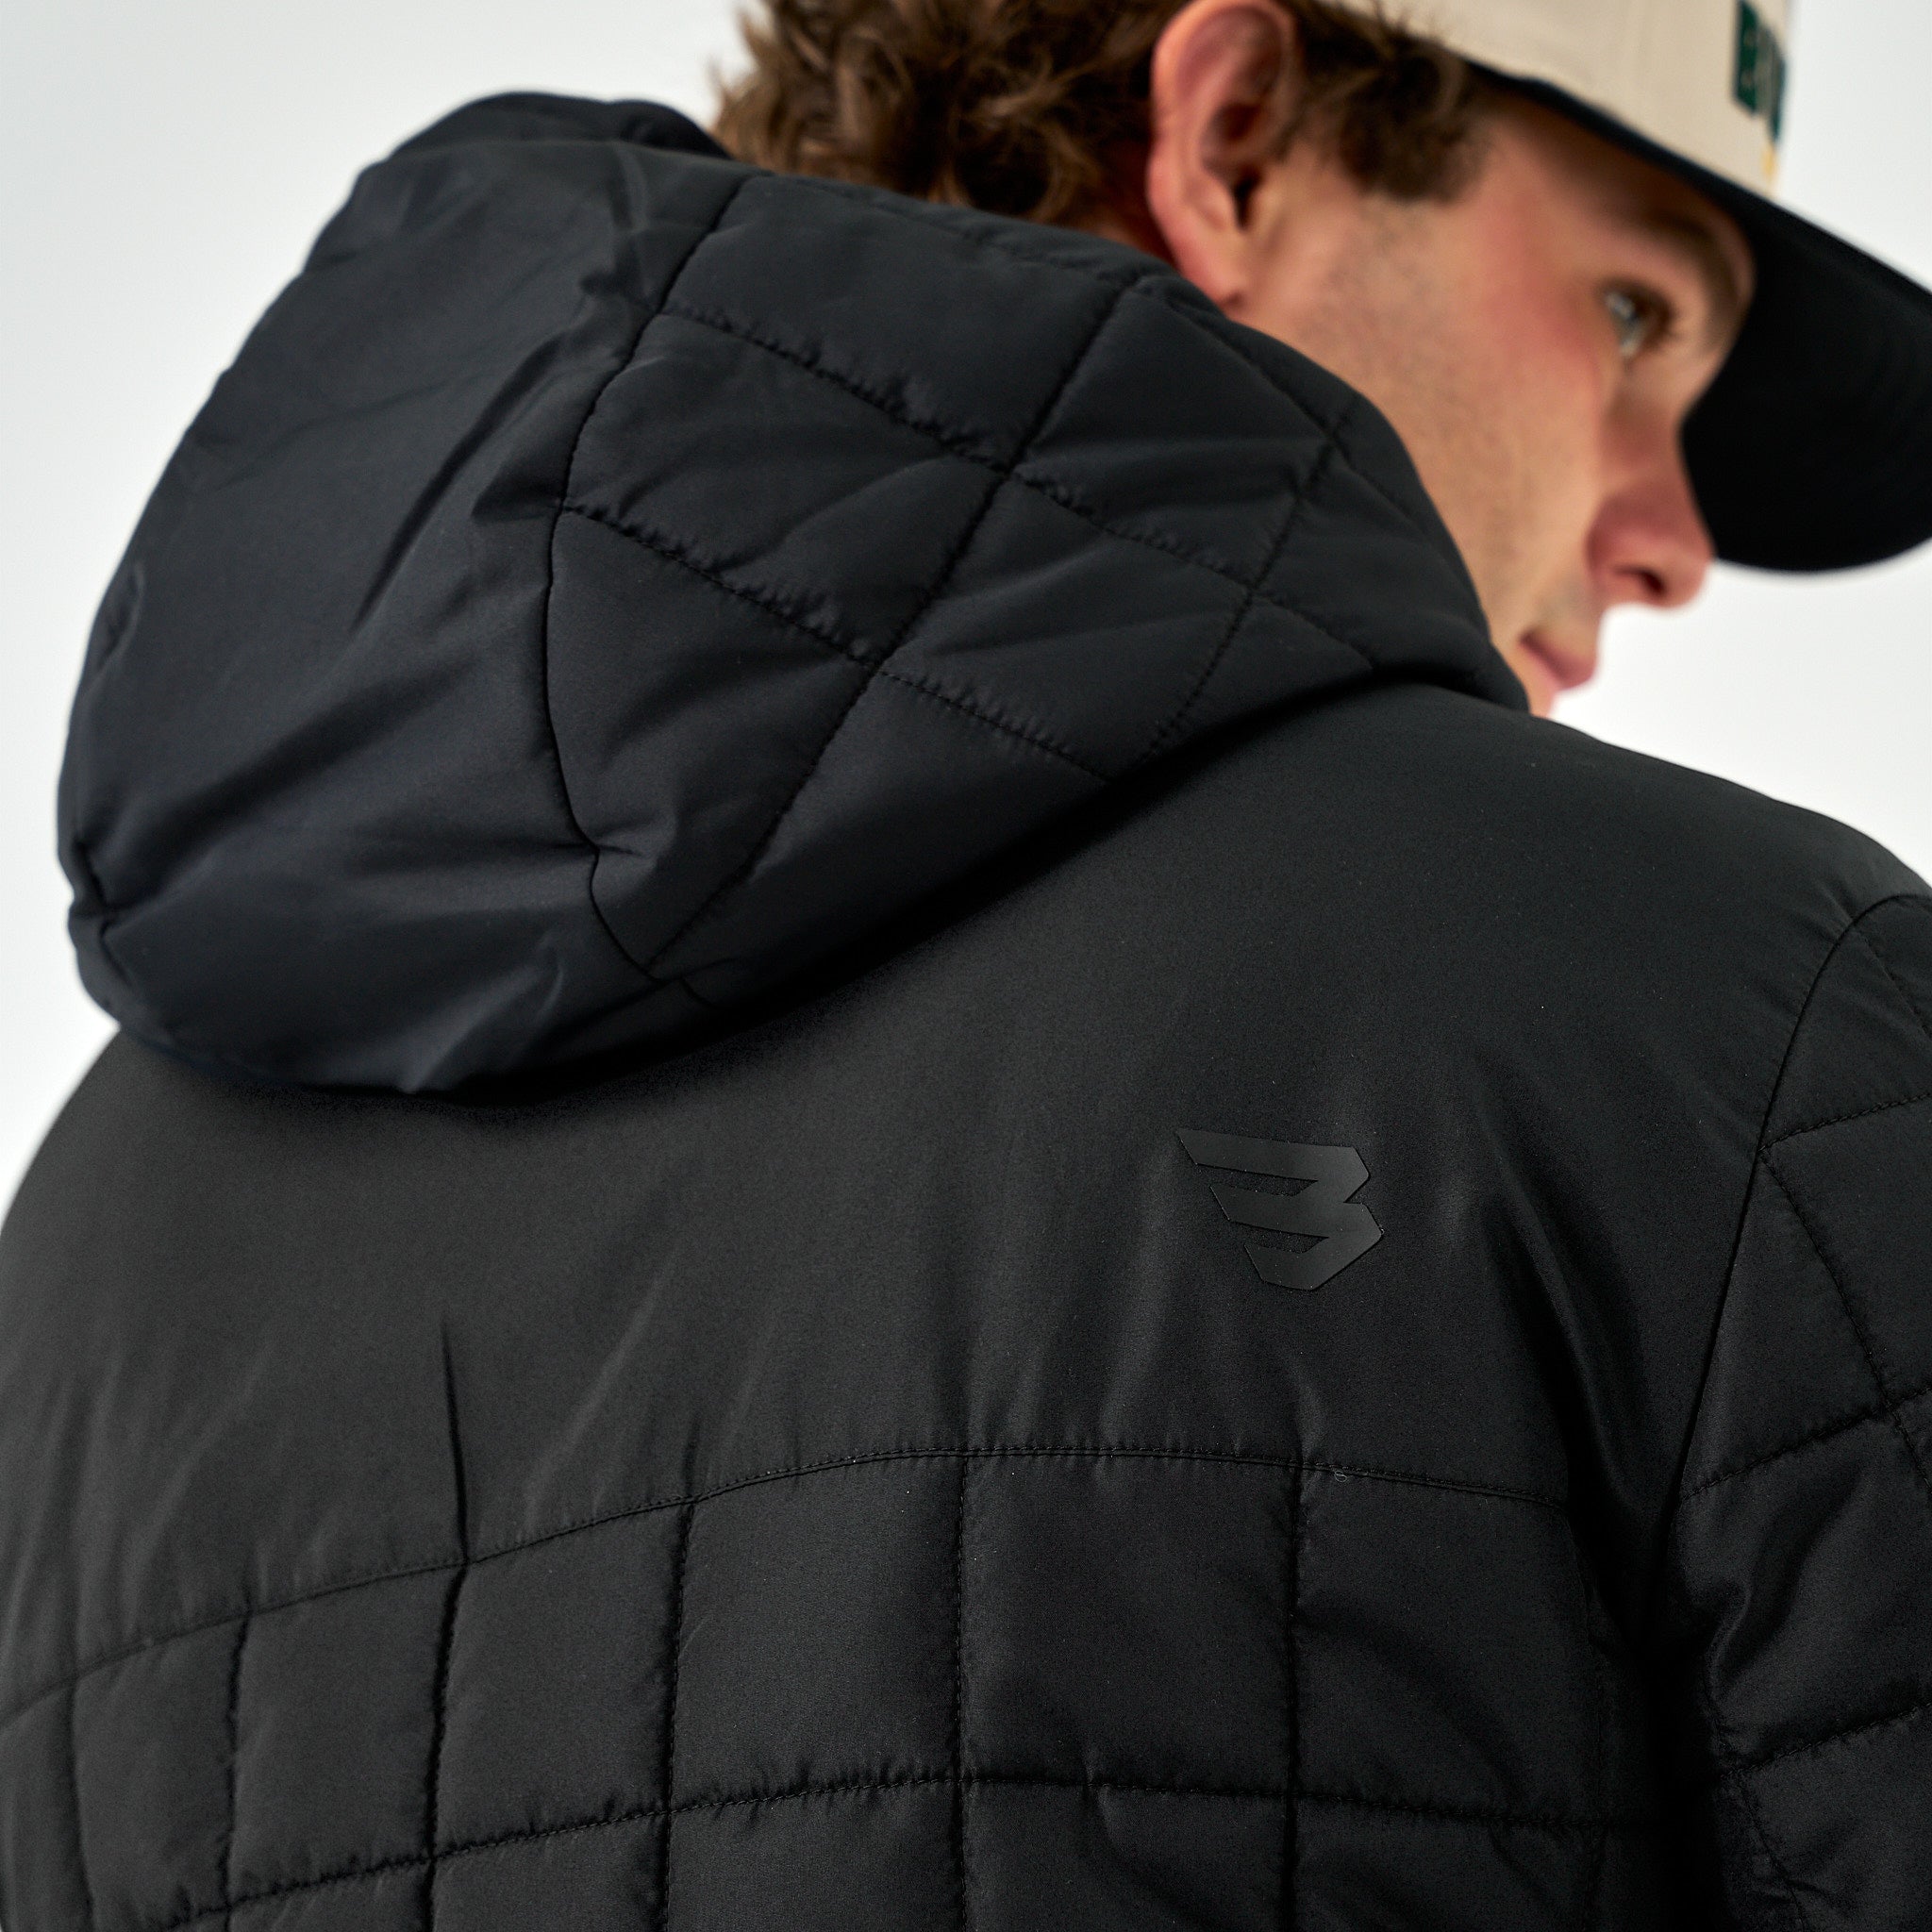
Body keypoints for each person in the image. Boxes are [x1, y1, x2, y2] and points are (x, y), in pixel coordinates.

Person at [1, 0, 1927, 1924]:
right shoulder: (1741, 1039)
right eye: (1630, 314)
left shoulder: (82, 1245)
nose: (1675, 541)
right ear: (1238, 139)